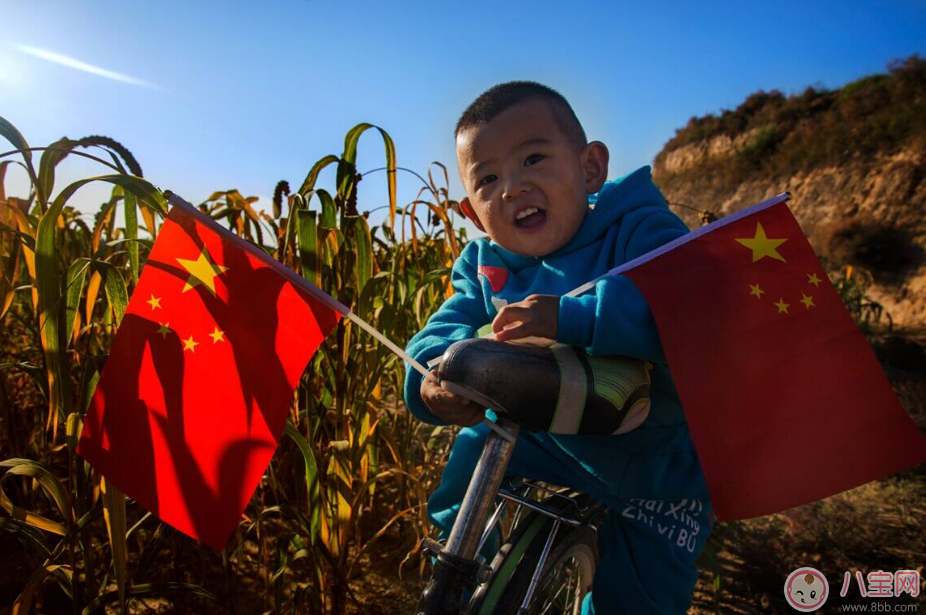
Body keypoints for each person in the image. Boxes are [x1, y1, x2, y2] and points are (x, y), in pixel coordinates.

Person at [404, 81, 713, 614]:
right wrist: (431, 377)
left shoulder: (637, 227)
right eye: (489, 179)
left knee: (644, 597)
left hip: (656, 462)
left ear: (590, 167)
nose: (512, 188)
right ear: (473, 212)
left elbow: (680, 305)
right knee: (472, 449)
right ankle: (456, 573)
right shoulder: (484, 267)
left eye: (533, 159)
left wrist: (569, 316)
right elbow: (441, 331)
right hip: (547, 439)